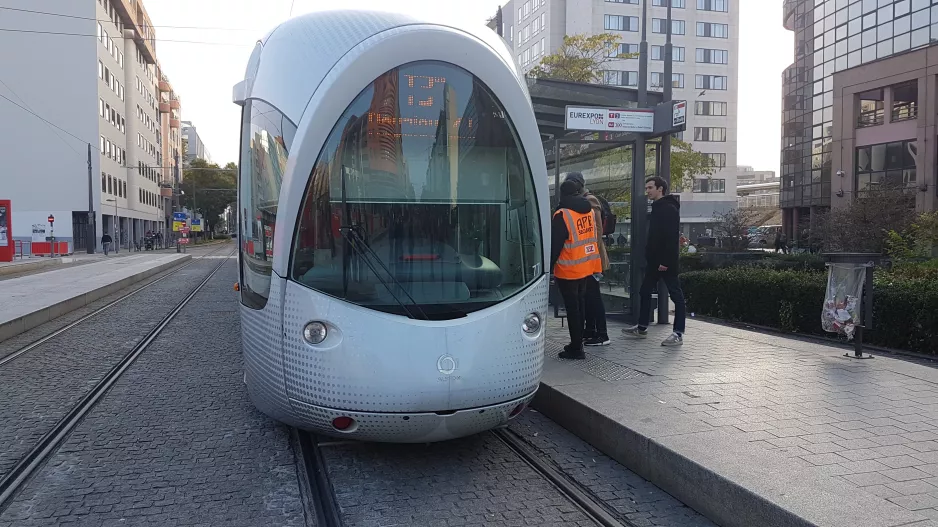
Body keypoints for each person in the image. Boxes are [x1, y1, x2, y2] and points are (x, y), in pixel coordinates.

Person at [621, 176, 686, 346]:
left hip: (665, 262)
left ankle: (678, 333)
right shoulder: (658, 207)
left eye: (650, 188)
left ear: (660, 189)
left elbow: (670, 238)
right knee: (645, 291)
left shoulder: (668, 209)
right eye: (647, 188)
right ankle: (642, 327)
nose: (647, 191)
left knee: (676, 295)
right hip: (654, 261)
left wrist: (665, 261)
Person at [551, 179, 602, 359]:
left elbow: (556, 244)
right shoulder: (587, 210)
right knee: (580, 306)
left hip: (568, 268)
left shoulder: (562, 214)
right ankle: (578, 343)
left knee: (573, 308)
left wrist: (549, 267)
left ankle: (576, 347)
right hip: (586, 266)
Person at [563, 172, 611, 346]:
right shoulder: (582, 200)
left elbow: (595, 231)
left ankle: (601, 333)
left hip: (591, 257)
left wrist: (592, 258)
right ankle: (590, 330)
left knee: (593, 295)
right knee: (588, 295)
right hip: (588, 256)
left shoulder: (590, 201)